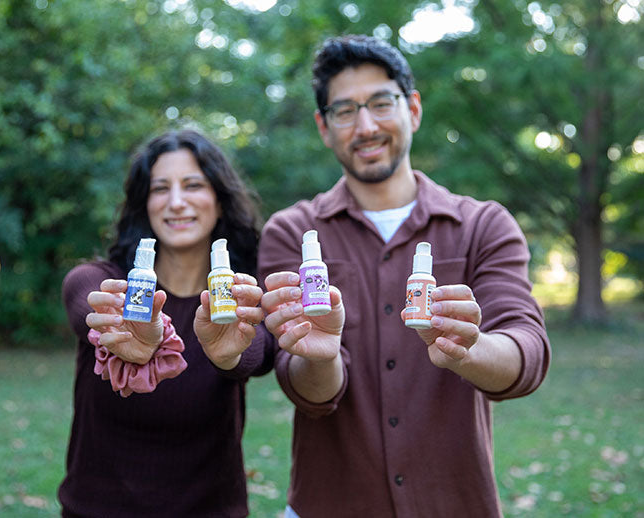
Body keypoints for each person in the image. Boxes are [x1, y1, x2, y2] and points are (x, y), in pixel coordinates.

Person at [258, 35, 551, 517]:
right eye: (345, 111)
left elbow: (528, 352)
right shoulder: (292, 231)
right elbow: (302, 385)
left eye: (380, 103)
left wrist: (469, 347)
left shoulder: (484, 225)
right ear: (323, 127)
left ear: (412, 108)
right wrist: (321, 357)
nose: (366, 126)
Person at [59, 129, 275, 517]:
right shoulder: (104, 281)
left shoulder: (240, 300)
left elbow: (257, 351)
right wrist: (120, 333)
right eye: (161, 189)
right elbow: (83, 301)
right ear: (145, 203)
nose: (176, 202)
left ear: (219, 201)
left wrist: (230, 353)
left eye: (193, 185)